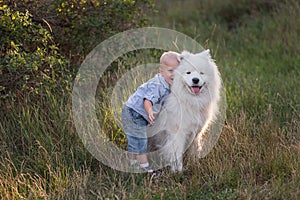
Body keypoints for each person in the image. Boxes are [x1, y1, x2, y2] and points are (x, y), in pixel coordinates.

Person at [121, 51, 180, 174]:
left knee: (136, 140)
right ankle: (144, 168)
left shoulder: (169, 83)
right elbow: (147, 100)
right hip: (133, 113)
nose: (175, 75)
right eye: (170, 71)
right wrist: (150, 112)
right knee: (140, 141)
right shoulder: (158, 85)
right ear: (161, 71)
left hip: (138, 114)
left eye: (178, 71)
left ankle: (132, 163)